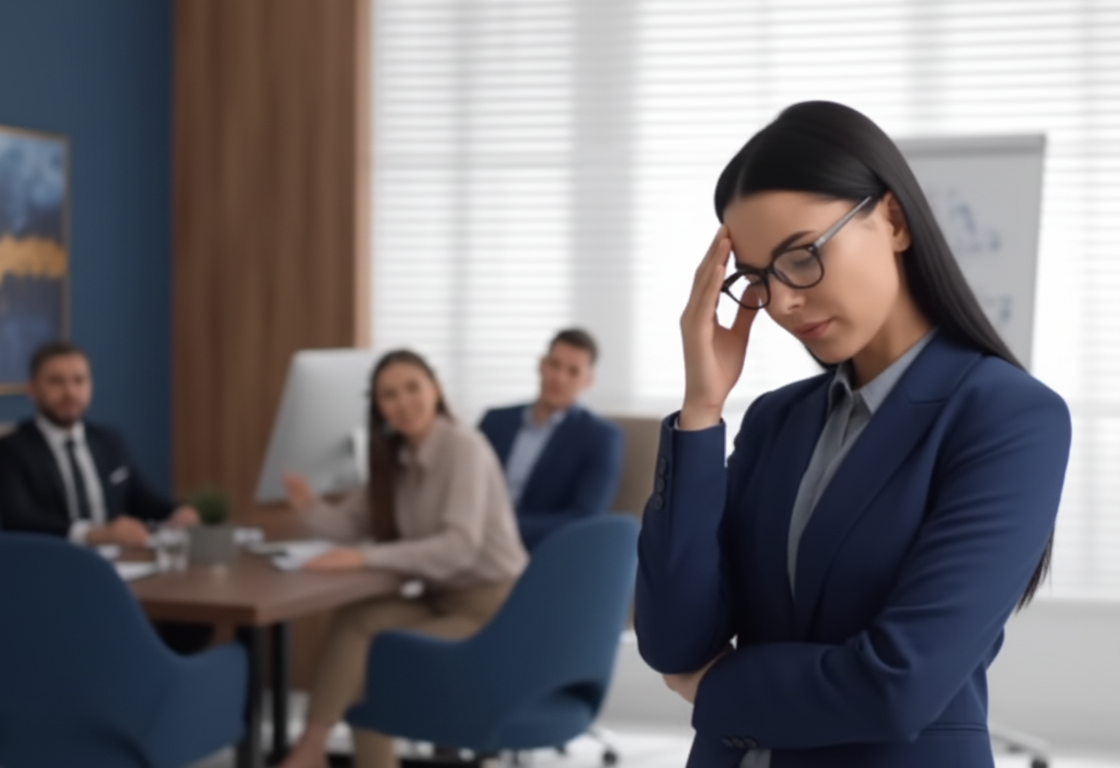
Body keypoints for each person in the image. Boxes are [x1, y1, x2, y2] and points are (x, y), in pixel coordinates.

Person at [634, 100, 1071, 768]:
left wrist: (718, 687)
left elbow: (897, 687)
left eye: (801, 257)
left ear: (892, 219)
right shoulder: (777, 419)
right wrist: (701, 410)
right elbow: (672, 642)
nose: (781, 302)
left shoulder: (1008, 417)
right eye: (756, 279)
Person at [277, 350, 528, 768]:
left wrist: (362, 558)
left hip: (493, 609)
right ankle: (312, 747)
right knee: (358, 618)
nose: (403, 401)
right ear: (379, 409)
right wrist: (307, 506)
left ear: (436, 389)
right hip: (440, 598)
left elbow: (458, 547)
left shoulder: (463, 447)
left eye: (413, 387)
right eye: (389, 395)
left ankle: (313, 754)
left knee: (377, 661)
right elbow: (350, 525)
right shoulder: (395, 456)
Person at [0, 340, 198, 547]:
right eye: (56, 382)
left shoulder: (109, 441)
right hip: (52, 563)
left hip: (121, 562)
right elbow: (17, 519)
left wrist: (178, 512)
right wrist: (93, 534)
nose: (70, 392)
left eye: (79, 381)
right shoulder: (8, 450)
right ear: (32, 389)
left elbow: (142, 499)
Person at [479, 328, 624, 551]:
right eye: (554, 365)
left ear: (588, 380)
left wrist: (503, 529)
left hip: (537, 550)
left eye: (573, 371)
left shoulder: (601, 437)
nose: (559, 377)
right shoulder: (495, 420)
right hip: (471, 537)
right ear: (541, 365)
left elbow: (585, 516)